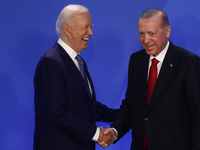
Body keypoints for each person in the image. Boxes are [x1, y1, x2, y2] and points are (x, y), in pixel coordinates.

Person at [100, 9, 200, 150]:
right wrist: (114, 131)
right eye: (142, 33)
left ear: (167, 31)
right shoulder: (136, 60)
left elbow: (198, 115)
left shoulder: (188, 62)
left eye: (152, 33)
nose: (146, 40)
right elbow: (131, 106)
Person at [33, 4, 118, 150]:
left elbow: (84, 106)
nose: (90, 32)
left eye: (91, 27)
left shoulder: (78, 61)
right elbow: (57, 114)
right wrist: (97, 134)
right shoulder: (50, 62)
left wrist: (121, 115)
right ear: (67, 29)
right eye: (86, 27)